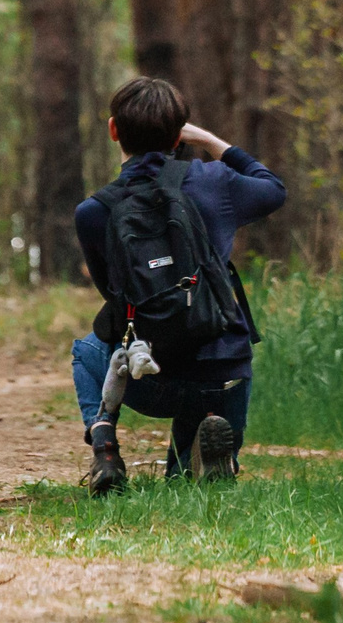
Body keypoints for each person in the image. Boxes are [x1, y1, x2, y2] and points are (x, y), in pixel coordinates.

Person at [74, 76, 285, 495]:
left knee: (88, 350)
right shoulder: (215, 183)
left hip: (151, 371)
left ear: (114, 130)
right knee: (187, 478)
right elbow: (272, 189)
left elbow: (113, 296)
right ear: (179, 134)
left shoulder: (94, 212)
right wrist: (208, 140)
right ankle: (205, 446)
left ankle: (106, 447)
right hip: (222, 368)